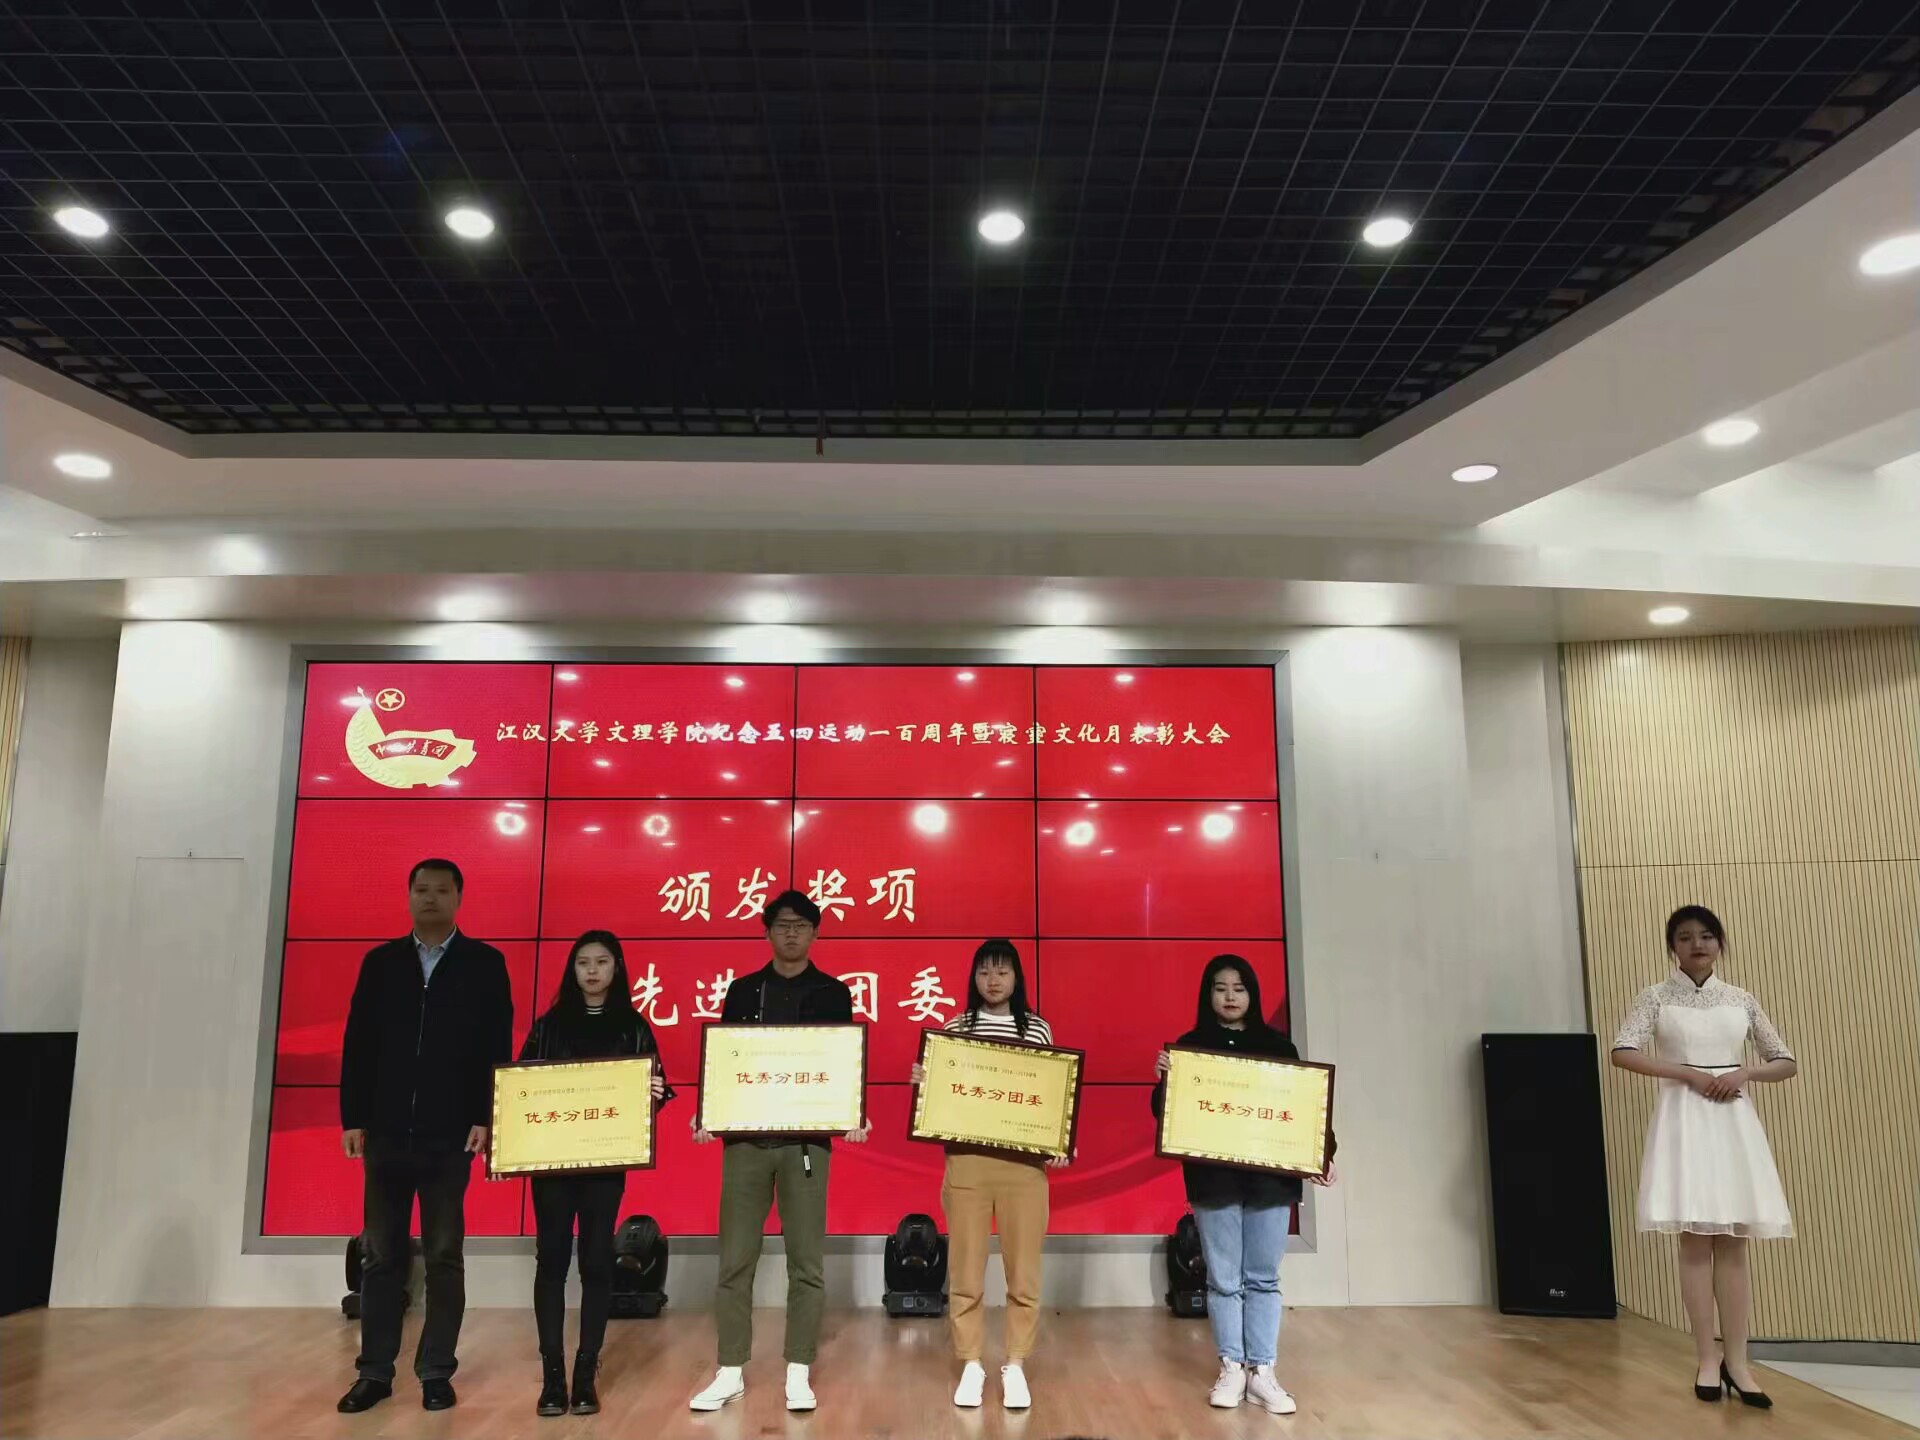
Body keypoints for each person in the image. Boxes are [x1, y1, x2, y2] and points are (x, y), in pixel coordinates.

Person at [336, 858, 512, 1415]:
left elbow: (496, 1044)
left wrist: (486, 1114)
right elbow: (358, 1042)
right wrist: (353, 1116)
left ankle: (436, 1371)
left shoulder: (485, 963)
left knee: (443, 1256)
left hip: (449, 1135)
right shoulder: (381, 962)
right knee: (380, 1256)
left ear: (459, 897)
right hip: (386, 1132)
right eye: (421, 889)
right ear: (408, 896)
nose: (430, 898)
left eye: (441, 890)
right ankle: (374, 1372)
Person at [688, 891, 870, 1415]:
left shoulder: (833, 993)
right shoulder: (743, 991)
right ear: (767, 932)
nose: (791, 933)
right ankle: (729, 1370)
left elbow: (840, 1065)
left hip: (806, 1144)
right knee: (735, 1259)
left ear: (815, 933)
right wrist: (709, 1112)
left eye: (801, 925)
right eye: (782, 924)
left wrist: (852, 1112)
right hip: (745, 1142)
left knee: (806, 1262)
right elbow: (728, 1062)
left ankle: (798, 1368)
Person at [1611, 905, 1797, 1408]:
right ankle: (1707, 1359)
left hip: (1732, 1120)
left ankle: (1739, 1362)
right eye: (1686, 937)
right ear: (1672, 946)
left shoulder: (1741, 999)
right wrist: (1688, 1073)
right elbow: (1622, 1051)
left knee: (1733, 1245)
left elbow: (1785, 1061)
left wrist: (1744, 1073)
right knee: (1695, 1242)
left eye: (1708, 936)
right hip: (1684, 1118)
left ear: (1720, 943)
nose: (1698, 944)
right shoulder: (1655, 996)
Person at [1151, 955, 1335, 1416]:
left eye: (1239, 988)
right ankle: (1231, 1367)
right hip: (1214, 1181)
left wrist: (1323, 1152)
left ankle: (1262, 1372)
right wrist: (1166, 1081)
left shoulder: (1279, 1047)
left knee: (1264, 1278)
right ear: (1207, 995)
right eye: (1220, 988)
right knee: (1223, 1279)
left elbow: (1305, 1105)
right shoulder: (1190, 1048)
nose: (1230, 996)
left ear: (1252, 994)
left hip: (1271, 1182)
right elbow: (1165, 1114)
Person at [907, 940, 1067, 1411]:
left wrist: (1059, 1141)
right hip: (968, 1162)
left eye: (1002, 972)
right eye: (984, 972)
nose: (993, 981)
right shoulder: (956, 1028)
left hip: (1024, 1167)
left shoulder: (1037, 1029)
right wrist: (925, 1084)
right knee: (965, 1270)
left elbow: (1050, 1094)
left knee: (1024, 1272)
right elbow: (945, 1099)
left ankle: (1015, 1364)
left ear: (1017, 978)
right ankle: (972, 1363)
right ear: (973, 978)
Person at [520, 931, 673, 1418]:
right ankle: (552, 1375)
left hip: (605, 1163)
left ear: (616, 968)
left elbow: (655, 1092)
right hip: (551, 1162)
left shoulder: (633, 1025)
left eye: (601, 962)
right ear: (572, 969)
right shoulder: (548, 1025)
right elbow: (520, 1089)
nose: (591, 970)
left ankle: (585, 1372)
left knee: (595, 1262)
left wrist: (653, 1092)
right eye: (583, 962)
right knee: (550, 1261)